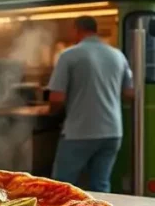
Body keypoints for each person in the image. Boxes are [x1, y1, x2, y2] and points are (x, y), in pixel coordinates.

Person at [48, 16, 134, 192]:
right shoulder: (118, 55)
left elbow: (56, 98)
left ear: (76, 29)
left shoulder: (69, 55)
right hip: (112, 132)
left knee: (62, 186)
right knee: (100, 185)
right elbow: (130, 94)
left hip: (79, 132)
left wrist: (51, 112)